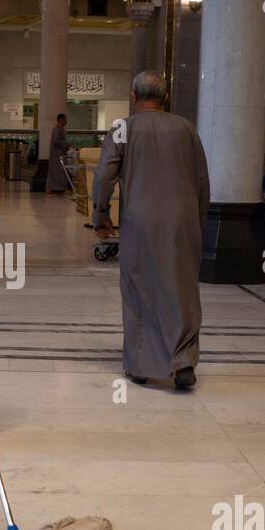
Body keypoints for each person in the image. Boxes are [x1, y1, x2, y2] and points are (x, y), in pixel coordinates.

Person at [93, 71, 210, 391]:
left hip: (140, 220)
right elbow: (202, 180)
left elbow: (104, 175)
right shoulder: (186, 129)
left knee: (139, 288)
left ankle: (142, 365)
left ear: (133, 96)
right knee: (183, 290)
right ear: (166, 97)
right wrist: (197, 220)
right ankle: (183, 360)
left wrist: (101, 215)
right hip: (182, 220)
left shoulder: (122, 129)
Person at [47, 113, 71, 193]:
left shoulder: (59, 129)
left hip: (58, 153)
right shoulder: (58, 129)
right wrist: (66, 144)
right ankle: (61, 188)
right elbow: (56, 141)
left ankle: (53, 187)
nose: (66, 121)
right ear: (60, 120)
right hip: (57, 153)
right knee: (61, 171)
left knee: (56, 171)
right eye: (65, 120)